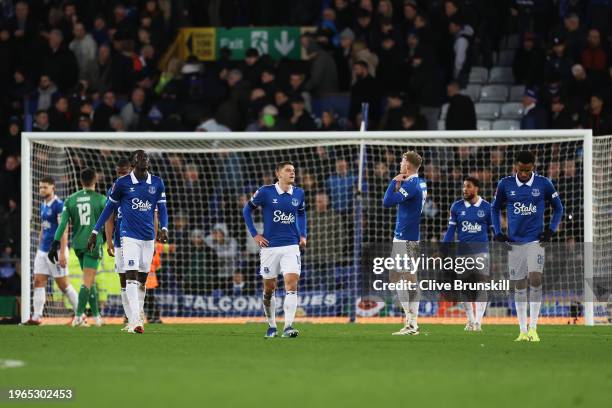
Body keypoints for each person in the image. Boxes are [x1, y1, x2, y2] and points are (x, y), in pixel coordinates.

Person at [88, 150, 169, 334]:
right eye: (139, 157)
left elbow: (161, 209)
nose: (144, 159)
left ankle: (136, 315)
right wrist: (95, 231)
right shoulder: (121, 184)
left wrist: (164, 228)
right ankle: (134, 320)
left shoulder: (157, 183)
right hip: (126, 236)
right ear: (133, 163)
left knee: (141, 280)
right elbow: (108, 210)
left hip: (148, 237)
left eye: (146, 156)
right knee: (128, 276)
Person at [492, 151, 564, 342]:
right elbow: (494, 208)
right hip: (514, 242)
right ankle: (522, 331)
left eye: (527, 169)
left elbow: (559, 208)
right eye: (520, 169)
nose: (523, 173)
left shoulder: (544, 184)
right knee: (519, 284)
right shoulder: (505, 184)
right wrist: (498, 232)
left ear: (533, 166)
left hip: (535, 240)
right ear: (515, 166)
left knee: (535, 277)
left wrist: (551, 230)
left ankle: (534, 328)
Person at [242, 162, 307, 338]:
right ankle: (271, 326)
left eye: (294, 170)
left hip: (291, 246)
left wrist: (303, 235)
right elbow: (247, 210)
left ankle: (288, 326)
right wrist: (255, 234)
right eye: (288, 170)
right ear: (278, 173)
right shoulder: (265, 191)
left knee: (292, 284)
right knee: (270, 288)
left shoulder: (299, 193)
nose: (292, 172)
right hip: (270, 248)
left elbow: (301, 213)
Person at [48, 168, 107, 327]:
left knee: (90, 281)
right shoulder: (101, 200)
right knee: (87, 282)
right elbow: (110, 222)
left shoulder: (70, 200)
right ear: (95, 180)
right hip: (93, 245)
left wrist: (55, 243)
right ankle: (79, 317)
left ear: (81, 181)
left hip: (78, 245)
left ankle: (96, 317)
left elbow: (62, 224)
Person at [382, 151, 427, 335]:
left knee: (410, 279)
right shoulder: (420, 182)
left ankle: (412, 324)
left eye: (402, 161)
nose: (400, 164)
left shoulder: (413, 185)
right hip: (400, 236)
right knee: (394, 277)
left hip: (409, 238)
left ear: (407, 166)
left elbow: (387, 201)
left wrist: (395, 181)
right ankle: (409, 319)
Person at [25, 177, 79, 325]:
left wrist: (62, 252)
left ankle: (80, 314)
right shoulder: (43, 204)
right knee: (38, 281)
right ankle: (36, 317)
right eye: (40, 187)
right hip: (43, 250)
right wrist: (38, 247)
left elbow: (64, 230)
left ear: (52, 187)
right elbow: (44, 226)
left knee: (63, 285)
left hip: (55, 251)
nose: (42, 190)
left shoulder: (59, 205)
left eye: (45, 187)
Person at [442, 177, 492, 331]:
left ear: (476, 188)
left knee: (481, 284)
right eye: (463, 186)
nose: (464, 189)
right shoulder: (456, 207)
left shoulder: (487, 207)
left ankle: (478, 321)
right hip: (462, 253)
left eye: (468, 186)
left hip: (481, 252)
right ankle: (470, 320)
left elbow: (494, 230)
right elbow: (451, 231)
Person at [103, 158, 133, 329]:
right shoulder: (113, 190)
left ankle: (136, 314)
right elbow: (109, 218)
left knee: (135, 278)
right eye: (119, 173)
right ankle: (129, 318)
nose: (121, 176)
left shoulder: (139, 189)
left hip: (137, 239)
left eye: (124, 173)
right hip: (119, 241)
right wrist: (109, 242)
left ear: (131, 170)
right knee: (123, 278)